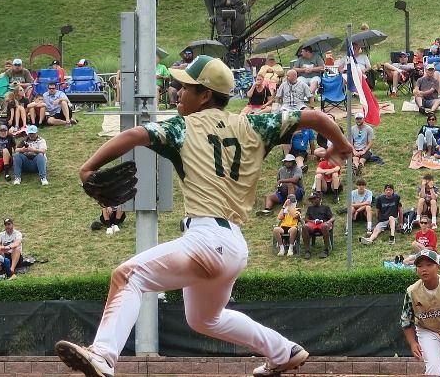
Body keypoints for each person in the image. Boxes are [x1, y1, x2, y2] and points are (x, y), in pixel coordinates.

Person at [54, 54, 351, 377]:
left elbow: (134, 136)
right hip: (233, 245)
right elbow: (317, 117)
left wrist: (87, 169)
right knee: (203, 318)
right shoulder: (253, 123)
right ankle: (283, 351)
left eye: (186, 87)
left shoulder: (183, 126)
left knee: (128, 276)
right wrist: (343, 146)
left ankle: (103, 354)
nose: (179, 92)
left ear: (205, 94)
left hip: (206, 239)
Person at [301, 191, 333, 260]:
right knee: (304, 227)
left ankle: (326, 250)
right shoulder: (310, 208)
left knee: (324, 226)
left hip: (323, 223)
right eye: (311, 199)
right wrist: (313, 221)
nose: (313, 201)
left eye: (314, 199)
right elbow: (306, 219)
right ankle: (307, 251)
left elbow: (333, 217)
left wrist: (328, 222)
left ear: (319, 198)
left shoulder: (326, 207)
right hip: (313, 224)